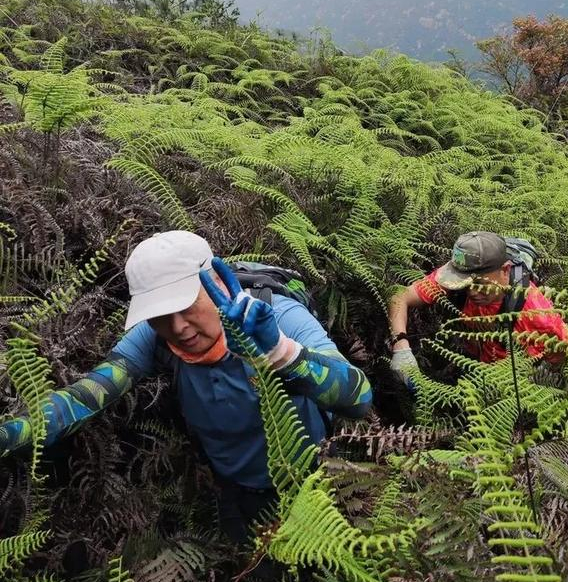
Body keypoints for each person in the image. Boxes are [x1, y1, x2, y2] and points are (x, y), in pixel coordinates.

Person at [0, 231, 372, 543]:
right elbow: (87, 396)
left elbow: (358, 397)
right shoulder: (153, 338)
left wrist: (280, 350)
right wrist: (12, 433)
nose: (177, 326)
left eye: (187, 305)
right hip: (234, 491)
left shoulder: (277, 315)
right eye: (161, 314)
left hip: (317, 484)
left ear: (212, 285)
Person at [387, 231, 568, 379]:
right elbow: (399, 296)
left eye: (480, 285)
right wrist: (401, 347)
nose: (472, 292)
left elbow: (562, 362)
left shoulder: (538, 315)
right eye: (464, 284)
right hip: (470, 357)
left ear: (505, 270)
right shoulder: (457, 274)